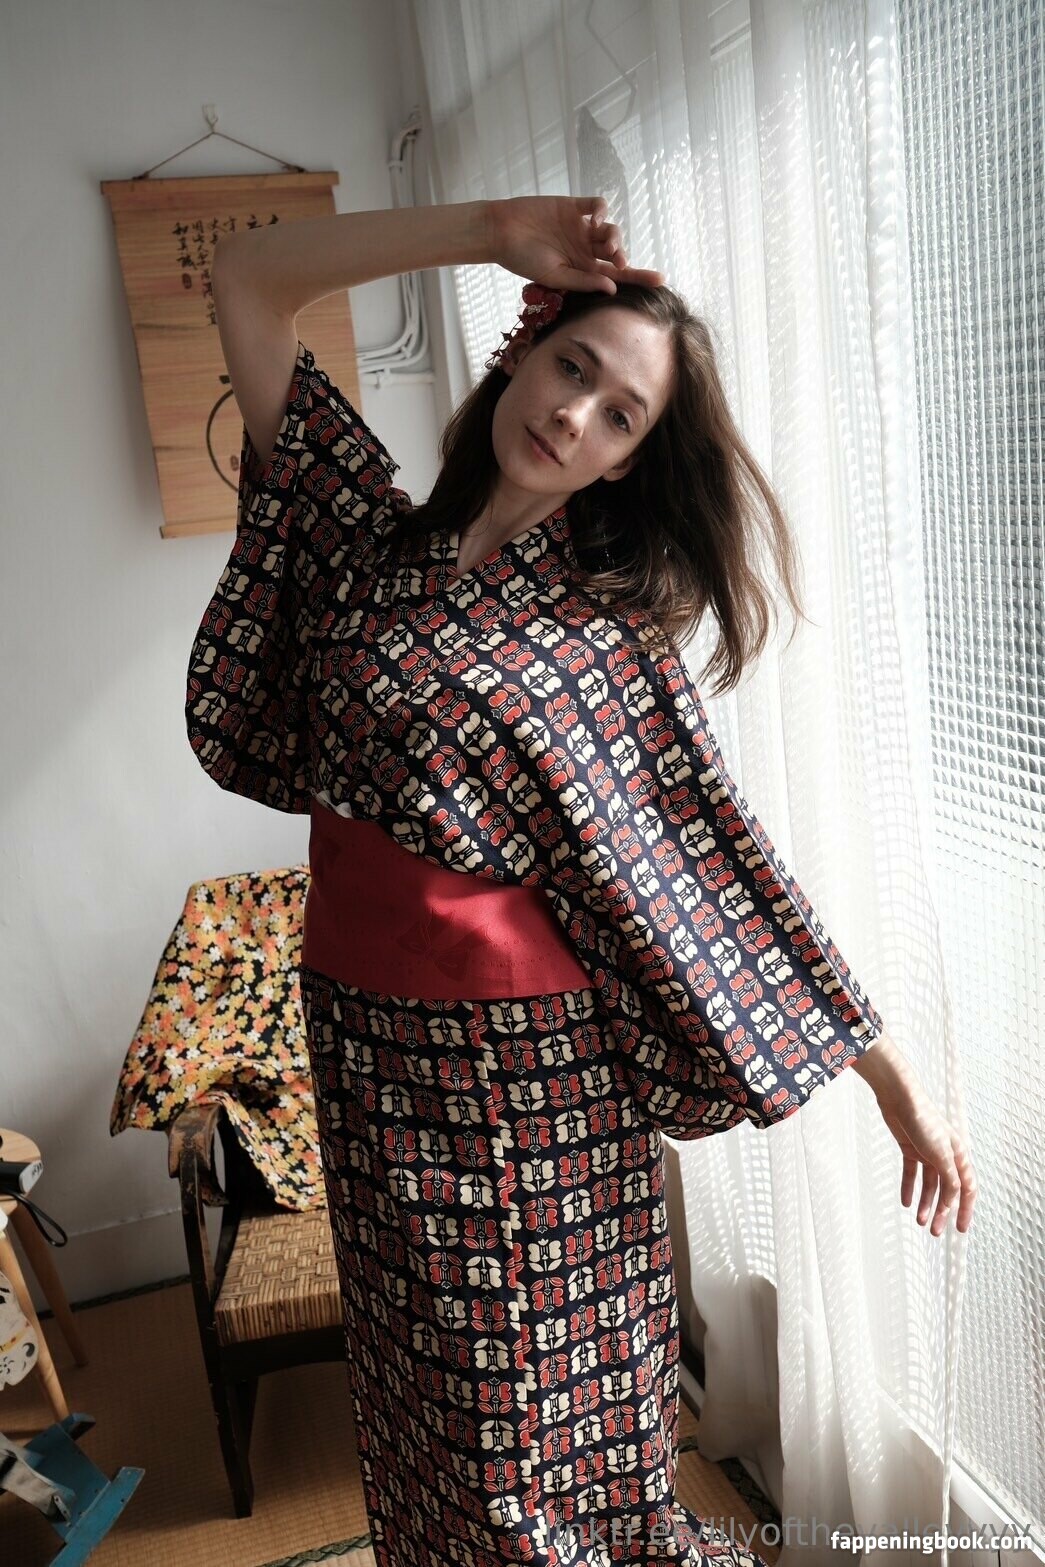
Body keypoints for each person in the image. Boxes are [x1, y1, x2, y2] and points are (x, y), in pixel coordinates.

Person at [186, 195, 977, 1566]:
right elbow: (251, 278)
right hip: (366, 1054)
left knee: (522, 1442)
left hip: (527, 1084)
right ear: (522, 349)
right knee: (423, 1422)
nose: (574, 417)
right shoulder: (359, 539)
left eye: (620, 416)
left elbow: (709, 864)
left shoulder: (602, 639)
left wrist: (888, 1074)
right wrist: (492, 229)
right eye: (571, 368)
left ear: (627, 465)